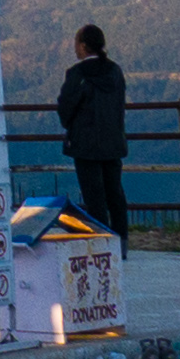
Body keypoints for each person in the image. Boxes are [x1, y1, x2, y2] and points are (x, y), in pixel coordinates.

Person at [55, 25, 132, 246]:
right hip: (113, 142)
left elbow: (66, 108)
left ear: (83, 46)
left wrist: (72, 126)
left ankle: (101, 242)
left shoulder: (77, 74)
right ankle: (121, 242)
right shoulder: (115, 72)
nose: (74, 48)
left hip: (85, 145)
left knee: (94, 196)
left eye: (76, 43)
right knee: (115, 193)